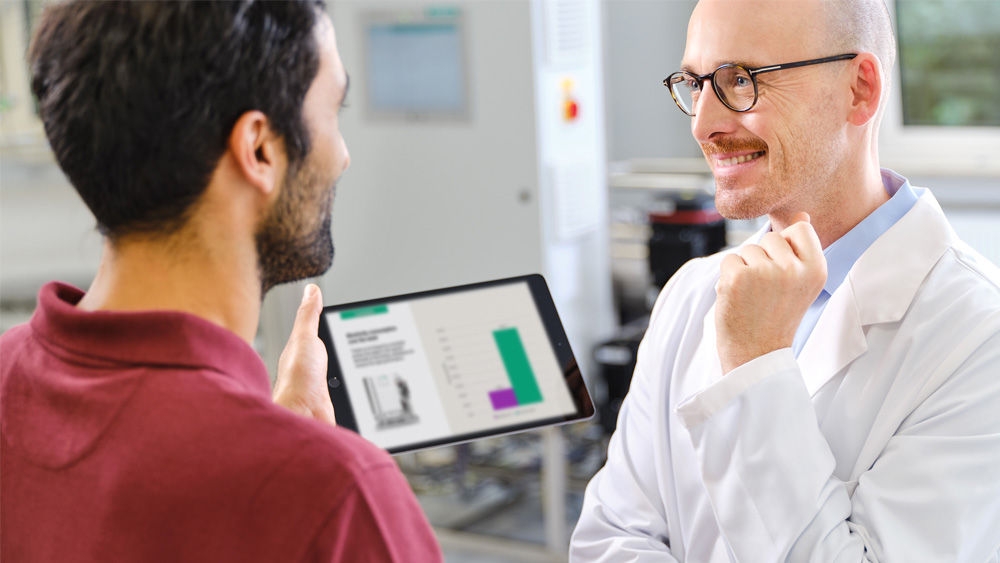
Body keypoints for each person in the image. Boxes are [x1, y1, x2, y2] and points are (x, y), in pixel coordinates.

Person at [0, 1, 443, 561]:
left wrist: (268, 434)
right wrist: (290, 459)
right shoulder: (336, 497)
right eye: (335, 110)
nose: (343, 156)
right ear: (259, 148)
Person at [571, 0, 1000, 560]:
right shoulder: (692, 292)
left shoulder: (976, 336)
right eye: (695, 83)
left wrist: (753, 362)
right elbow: (610, 540)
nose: (703, 123)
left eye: (741, 80)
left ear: (859, 90)